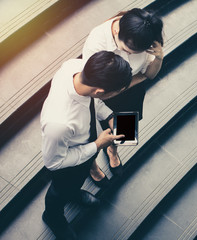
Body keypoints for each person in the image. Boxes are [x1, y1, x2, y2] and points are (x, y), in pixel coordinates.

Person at [40, 51, 132, 239]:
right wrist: (98, 145)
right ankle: (53, 216)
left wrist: (109, 116)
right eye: (117, 92)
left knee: (73, 185)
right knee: (60, 191)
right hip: (68, 162)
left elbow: (92, 101)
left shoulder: (75, 68)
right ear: (100, 91)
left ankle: (73, 194)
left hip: (84, 149)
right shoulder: (59, 123)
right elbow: (54, 163)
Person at [82, 8, 164, 186]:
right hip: (103, 96)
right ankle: (92, 166)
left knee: (123, 133)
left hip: (129, 92)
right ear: (117, 31)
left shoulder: (144, 35)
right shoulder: (97, 44)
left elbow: (149, 75)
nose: (134, 55)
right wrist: (138, 78)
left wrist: (159, 57)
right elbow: (100, 90)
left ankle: (112, 150)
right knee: (92, 136)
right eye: (130, 50)